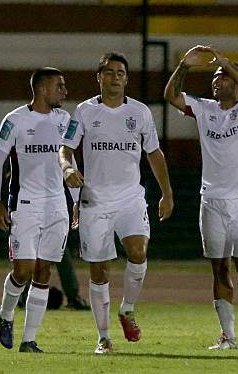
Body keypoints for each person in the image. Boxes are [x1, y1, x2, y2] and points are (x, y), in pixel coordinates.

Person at [59, 51, 174, 355]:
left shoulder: (140, 113)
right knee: (100, 270)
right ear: (99, 78)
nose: (115, 77)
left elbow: (154, 154)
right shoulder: (84, 112)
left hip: (130, 198)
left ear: (126, 78)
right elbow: (65, 150)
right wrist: (68, 169)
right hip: (95, 200)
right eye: (108, 72)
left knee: (138, 251)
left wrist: (167, 193)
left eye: (120, 72)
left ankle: (127, 309)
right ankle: (103, 337)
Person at [164, 45, 238, 350]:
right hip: (211, 199)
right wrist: (183, 66)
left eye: (222, 78)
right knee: (219, 267)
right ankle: (227, 335)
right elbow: (171, 96)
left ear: (236, 83)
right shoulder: (204, 108)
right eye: (215, 78)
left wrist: (225, 62)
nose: (216, 81)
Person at [0, 67, 72, 353]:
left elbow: (70, 165)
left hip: (57, 204)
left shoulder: (65, 120)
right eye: (59, 86)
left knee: (44, 271)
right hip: (25, 203)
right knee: (22, 271)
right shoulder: (15, 120)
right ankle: (6, 314)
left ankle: (29, 340)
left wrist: (75, 202)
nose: (65, 91)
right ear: (43, 89)